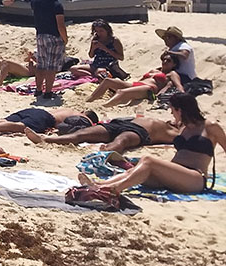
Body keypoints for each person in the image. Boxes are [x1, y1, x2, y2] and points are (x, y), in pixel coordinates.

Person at [77, 94, 224, 196]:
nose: (172, 114)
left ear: (180, 110)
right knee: (135, 171)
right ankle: (98, 186)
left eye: (173, 111)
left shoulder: (210, 126)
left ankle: (114, 189)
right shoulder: (183, 128)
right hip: (174, 175)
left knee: (148, 160)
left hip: (195, 178)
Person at [24, 113, 178, 154]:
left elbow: (184, 140)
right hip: (121, 124)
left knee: (122, 141)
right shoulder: (166, 122)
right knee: (82, 133)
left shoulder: (175, 132)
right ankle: (45, 140)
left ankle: (107, 152)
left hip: (139, 132)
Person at [85, 54, 183, 106]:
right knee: (107, 81)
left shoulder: (172, 74)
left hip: (149, 89)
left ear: (174, 64)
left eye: (168, 61)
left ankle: (105, 106)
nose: (165, 62)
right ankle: (89, 100)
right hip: (136, 84)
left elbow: (179, 87)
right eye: (164, 59)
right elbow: (141, 79)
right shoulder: (155, 70)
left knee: (121, 92)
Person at [30, 0, 68, 99]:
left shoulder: (35, 1)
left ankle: (38, 89)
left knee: (41, 64)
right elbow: (60, 25)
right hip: (53, 37)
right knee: (51, 66)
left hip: (40, 35)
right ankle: (48, 92)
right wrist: (65, 39)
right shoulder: (57, 5)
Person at [0, 107, 97, 138]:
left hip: (37, 111)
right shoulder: (86, 119)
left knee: (4, 120)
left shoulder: (71, 110)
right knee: (20, 127)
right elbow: (68, 127)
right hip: (46, 118)